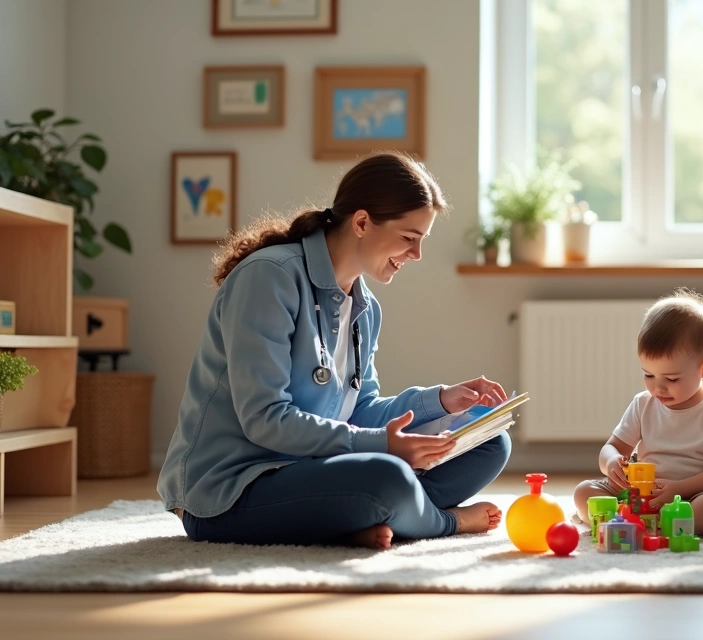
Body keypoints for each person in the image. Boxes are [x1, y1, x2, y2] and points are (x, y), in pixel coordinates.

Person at [157, 152, 511, 550]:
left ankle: (371, 517)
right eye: (408, 238)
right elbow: (264, 420)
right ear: (361, 223)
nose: (416, 255)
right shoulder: (269, 277)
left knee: (490, 442)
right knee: (387, 478)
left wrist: (442, 401)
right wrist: (383, 445)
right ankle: (442, 521)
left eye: (421, 241)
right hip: (232, 489)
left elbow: (359, 411)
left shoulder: (365, 307)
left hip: (310, 474)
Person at [573, 289, 703, 536]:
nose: (658, 388)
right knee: (584, 492)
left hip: (700, 493)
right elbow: (612, 447)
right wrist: (612, 462)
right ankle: (643, 521)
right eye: (649, 375)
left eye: (671, 378)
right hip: (642, 493)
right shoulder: (643, 404)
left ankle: (643, 522)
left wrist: (679, 488)